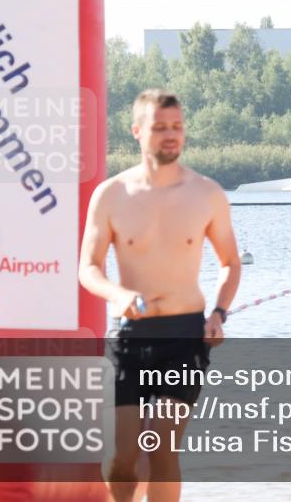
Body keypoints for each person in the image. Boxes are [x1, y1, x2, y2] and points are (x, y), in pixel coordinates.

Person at [78, 89, 241, 502]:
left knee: (161, 444)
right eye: (160, 127)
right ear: (137, 131)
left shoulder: (207, 193)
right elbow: (88, 268)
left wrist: (219, 313)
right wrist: (116, 294)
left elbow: (230, 263)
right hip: (130, 335)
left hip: (185, 335)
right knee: (122, 458)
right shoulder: (111, 194)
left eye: (177, 127)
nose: (171, 135)